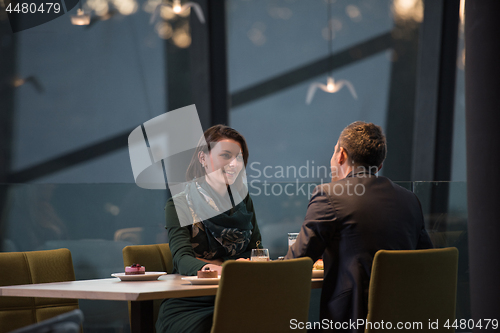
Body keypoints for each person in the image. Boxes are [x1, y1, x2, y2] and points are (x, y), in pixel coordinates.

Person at [285, 121, 433, 332]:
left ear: (341, 155)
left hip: (350, 322)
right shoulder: (410, 200)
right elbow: (427, 262)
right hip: (405, 319)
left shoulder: (329, 194)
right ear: (379, 165)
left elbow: (295, 263)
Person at [156, 125, 262, 333]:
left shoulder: (243, 201)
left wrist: (218, 265)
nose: (234, 164)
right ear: (202, 158)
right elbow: (182, 259)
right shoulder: (179, 204)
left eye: (239, 157)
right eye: (225, 156)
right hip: (190, 303)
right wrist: (229, 269)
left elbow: (256, 253)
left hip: (237, 295)